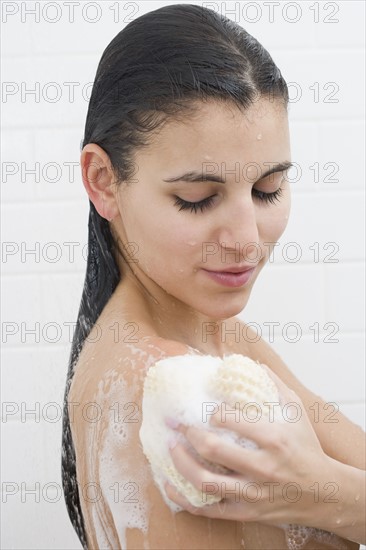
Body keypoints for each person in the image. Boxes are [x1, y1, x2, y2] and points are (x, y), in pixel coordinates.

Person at [61, 3, 365, 549]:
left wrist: (325, 495)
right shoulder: (177, 394)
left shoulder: (210, 331)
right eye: (198, 199)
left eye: (268, 189)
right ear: (103, 181)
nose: (247, 239)